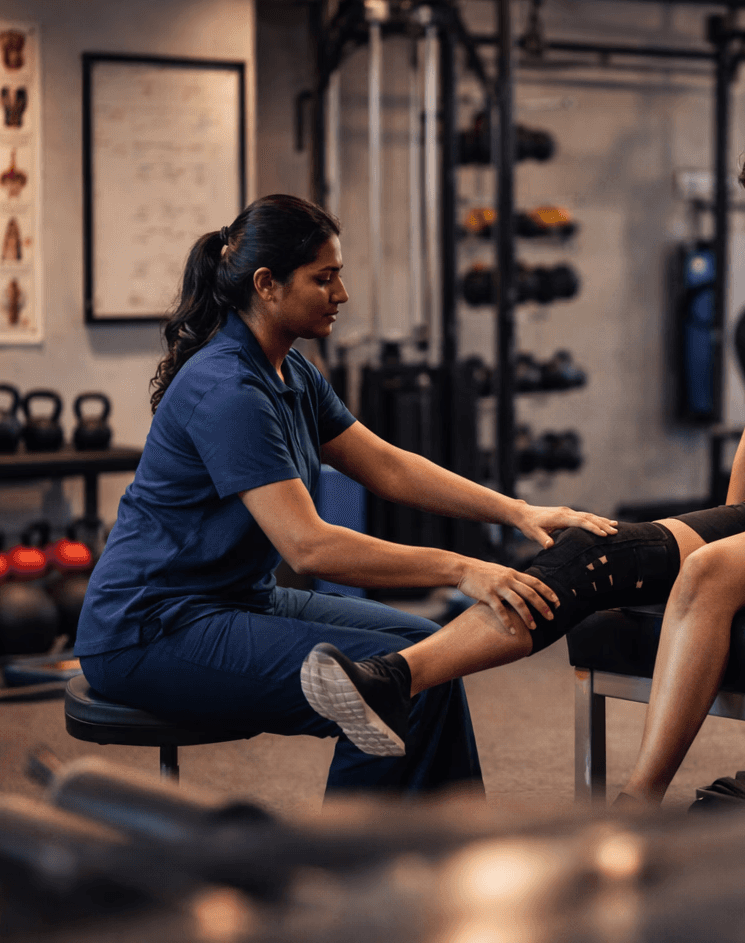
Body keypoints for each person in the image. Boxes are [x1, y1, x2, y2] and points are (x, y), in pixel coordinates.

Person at [302, 123, 745, 807]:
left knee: (709, 570)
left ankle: (638, 801)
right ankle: (393, 679)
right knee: (593, 547)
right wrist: (734, 525)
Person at [75, 194, 616, 795]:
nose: (342, 294)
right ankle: (346, 871)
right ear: (267, 285)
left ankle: (447, 855)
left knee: (429, 655)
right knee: (373, 682)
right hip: (152, 629)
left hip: (236, 600)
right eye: (323, 278)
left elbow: (387, 466)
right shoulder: (227, 387)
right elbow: (308, 547)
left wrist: (516, 511)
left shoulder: (291, 370)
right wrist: (461, 568)